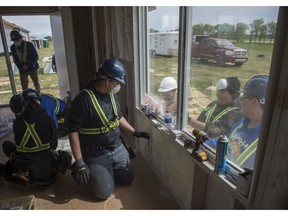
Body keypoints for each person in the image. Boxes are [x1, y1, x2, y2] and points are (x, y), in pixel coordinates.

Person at [68, 58, 149, 200]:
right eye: (117, 83)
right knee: (104, 193)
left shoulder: (111, 95)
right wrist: (80, 162)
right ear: (107, 81)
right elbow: (73, 131)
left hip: (116, 147)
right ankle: (86, 170)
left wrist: (134, 132)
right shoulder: (82, 100)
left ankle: (107, 171)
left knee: (127, 179)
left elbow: (118, 117)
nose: (118, 86)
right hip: (95, 152)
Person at [0, 89, 71, 187]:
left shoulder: (17, 123)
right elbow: (54, 145)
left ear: (23, 104)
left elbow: (18, 143)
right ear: (38, 101)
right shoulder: (48, 120)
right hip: (47, 172)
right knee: (64, 156)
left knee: (6, 145)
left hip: (25, 167)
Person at [224, 75, 269, 170]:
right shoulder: (243, 122)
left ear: (254, 102)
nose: (240, 102)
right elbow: (225, 144)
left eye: (243, 98)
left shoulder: (266, 138)